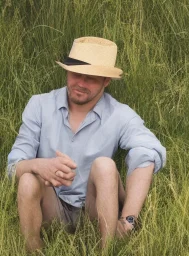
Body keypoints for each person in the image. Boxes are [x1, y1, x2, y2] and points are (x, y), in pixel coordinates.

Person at [7, 36, 166, 252]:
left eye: (91, 78)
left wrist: (129, 218)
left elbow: (148, 153)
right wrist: (39, 165)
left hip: (95, 209)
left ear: (106, 81)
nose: (80, 83)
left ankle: (106, 249)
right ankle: (34, 249)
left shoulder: (119, 114)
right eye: (75, 74)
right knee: (27, 179)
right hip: (52, 207)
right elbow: (13, 166)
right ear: (67, 72)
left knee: (105, 166)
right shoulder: (40, 105)